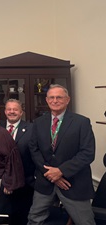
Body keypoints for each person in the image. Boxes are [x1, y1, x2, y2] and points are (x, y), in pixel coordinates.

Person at [27, 84, 96, 225]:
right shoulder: (38, 122)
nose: (55, 100)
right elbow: (34, 149)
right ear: (46, 100)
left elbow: (87, 153)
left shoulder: (81, 122)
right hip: (45, 182)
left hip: (73, 183)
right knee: (34, 219)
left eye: (59, 97)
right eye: (51, 97)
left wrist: (61, 171)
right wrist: (51, 174)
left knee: (85, 222)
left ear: (67, 100)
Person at [0, 99, 34, 225]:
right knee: (2, 215)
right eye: (9, 109)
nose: (12, 112)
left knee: (21, 216)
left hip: (24, 182)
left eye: (15, 109)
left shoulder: (31, 128)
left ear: (21, 112)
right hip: (0, 180)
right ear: (5, 112)